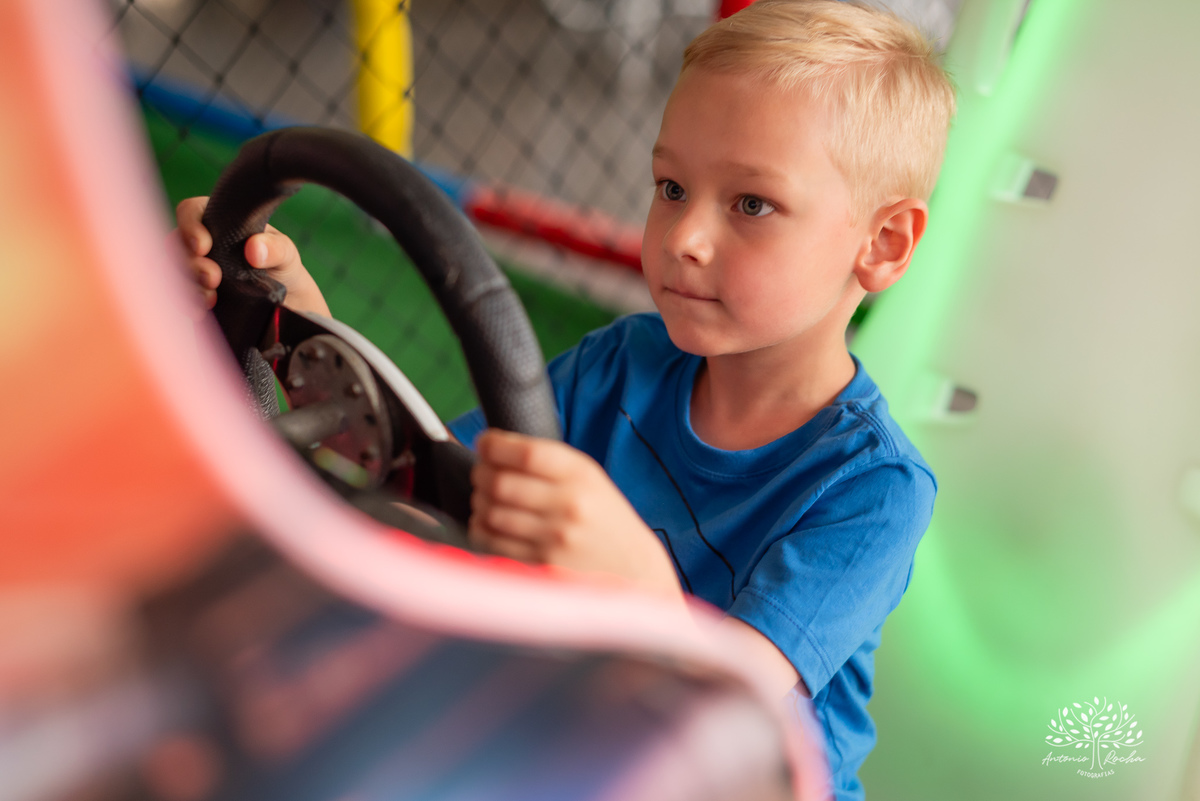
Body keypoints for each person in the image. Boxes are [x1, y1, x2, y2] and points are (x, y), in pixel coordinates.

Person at [176, 2, 955, 797]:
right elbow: (433, 483)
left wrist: (640, 584)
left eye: (751, 204)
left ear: (882, 245)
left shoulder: (873, 489)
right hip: (570, 725)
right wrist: (301, 318)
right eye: (673, 187)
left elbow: (742, 705)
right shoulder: (623, 361)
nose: (683, 235)